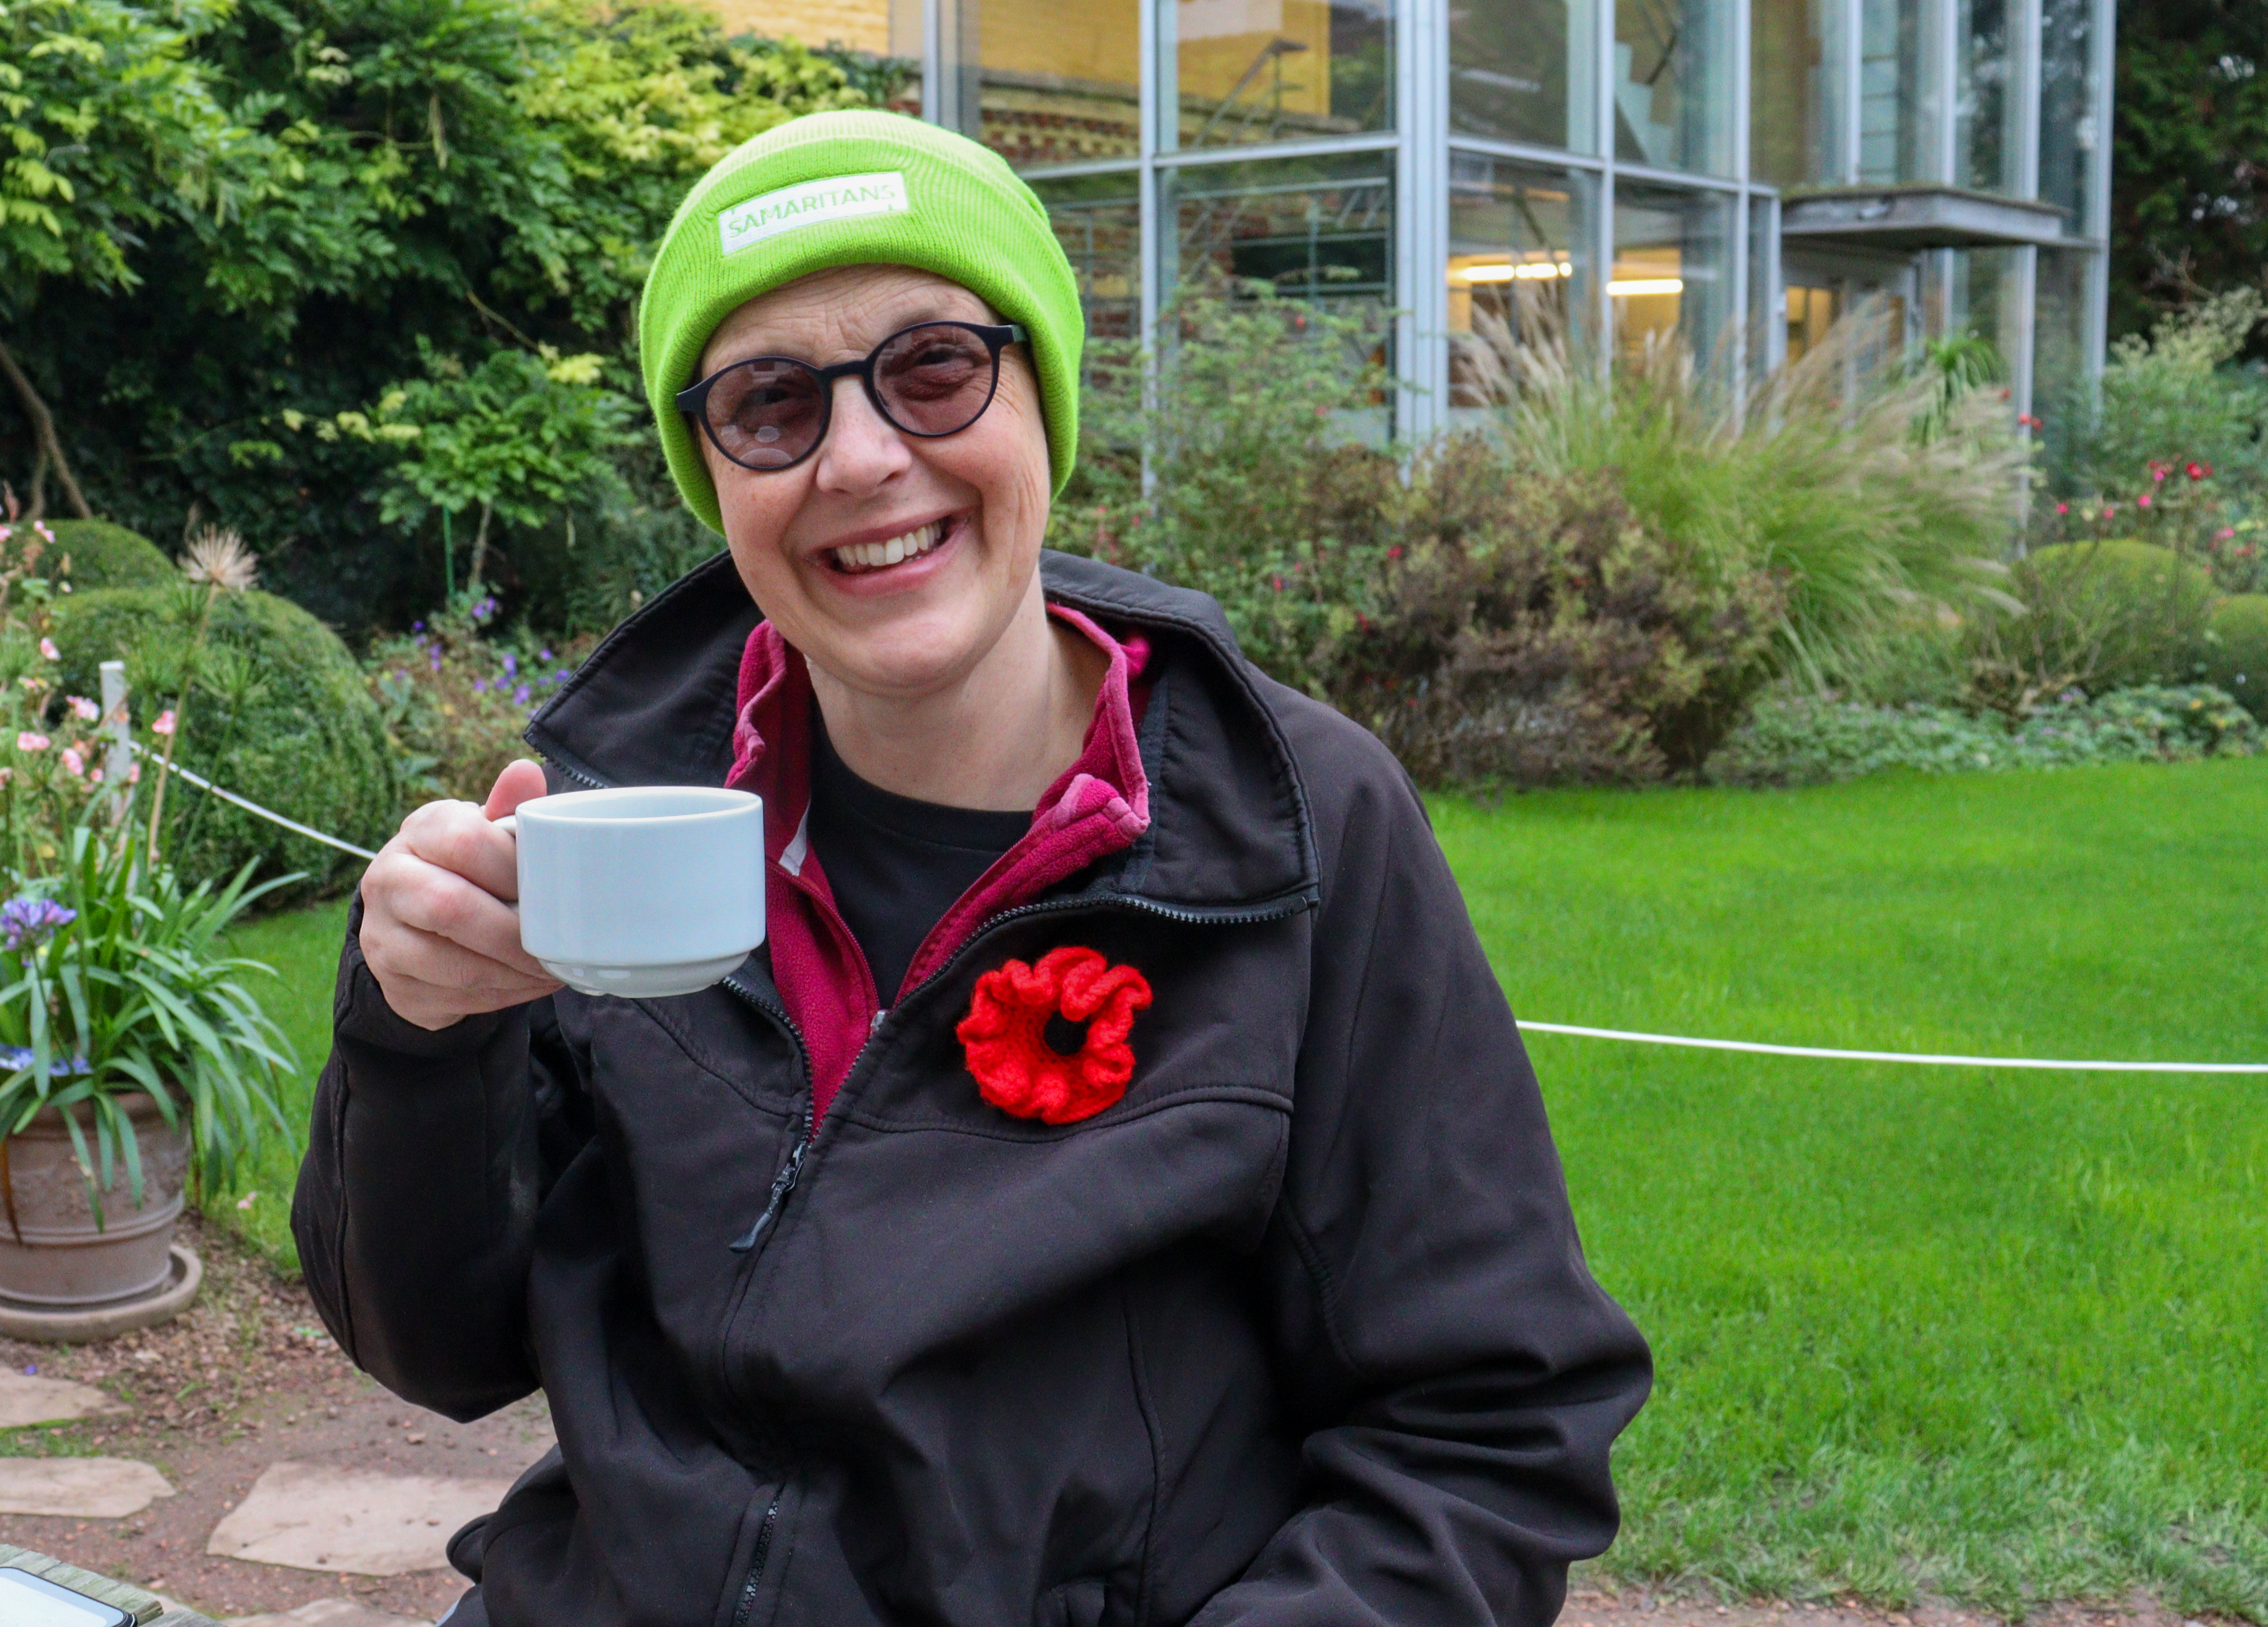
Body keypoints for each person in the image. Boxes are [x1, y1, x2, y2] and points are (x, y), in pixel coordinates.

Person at [294, 110, 1650, 1627]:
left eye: (935, 367)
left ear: (1043, 400)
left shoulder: (1297, 821)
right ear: (712, 468)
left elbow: (1486, 1431)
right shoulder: (619, 802)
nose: (863, 459)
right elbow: (440, 1352)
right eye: (770, 403)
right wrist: (419, 1035)